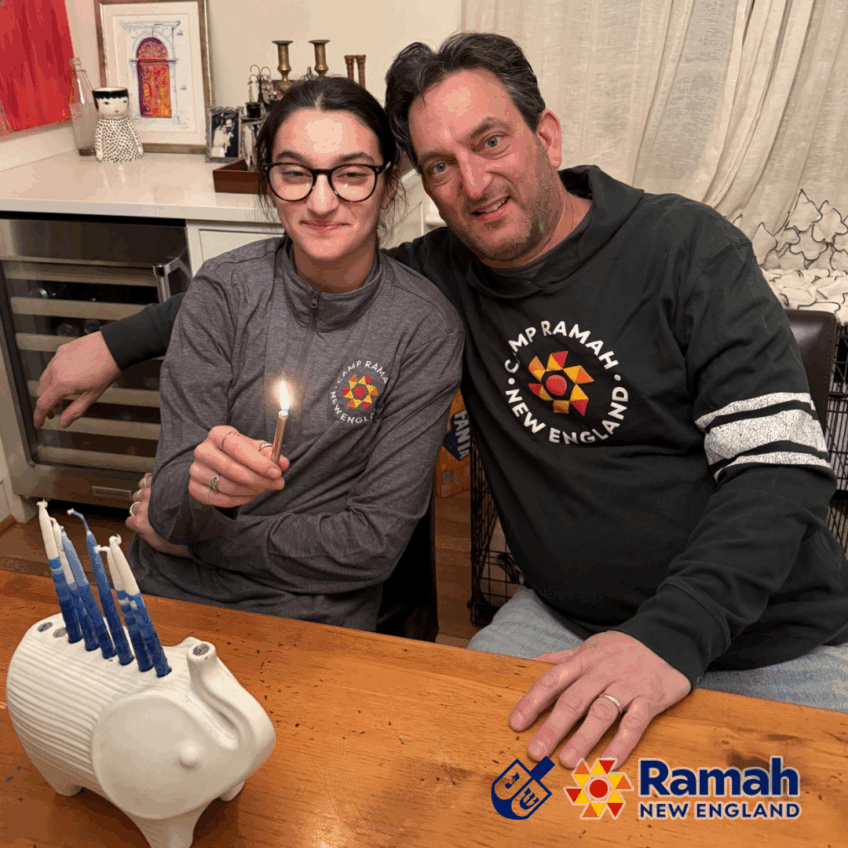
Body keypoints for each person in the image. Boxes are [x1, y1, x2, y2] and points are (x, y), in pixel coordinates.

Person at [34, 34, 848, 769]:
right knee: (436, 782)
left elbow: (780, 469)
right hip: (563, 626)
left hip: (767, 640)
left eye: (490, 142)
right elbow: (274, 284)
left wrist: (666, 639)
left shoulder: (684, 248)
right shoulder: (446, 274)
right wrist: (113, 343)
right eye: (440, 166)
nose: (474, 184)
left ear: (547, 135)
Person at [52, 75, 464, 629]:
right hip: (168, 593)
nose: (322, 202)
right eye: (294, 173)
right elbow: (167, 505)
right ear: (270, 184)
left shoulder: (423, 328)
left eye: (351, 175)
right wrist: (204, 493)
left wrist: (198, 544)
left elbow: (370, 545)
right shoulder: (223, 291)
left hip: (310, 614)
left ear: (389, 185)